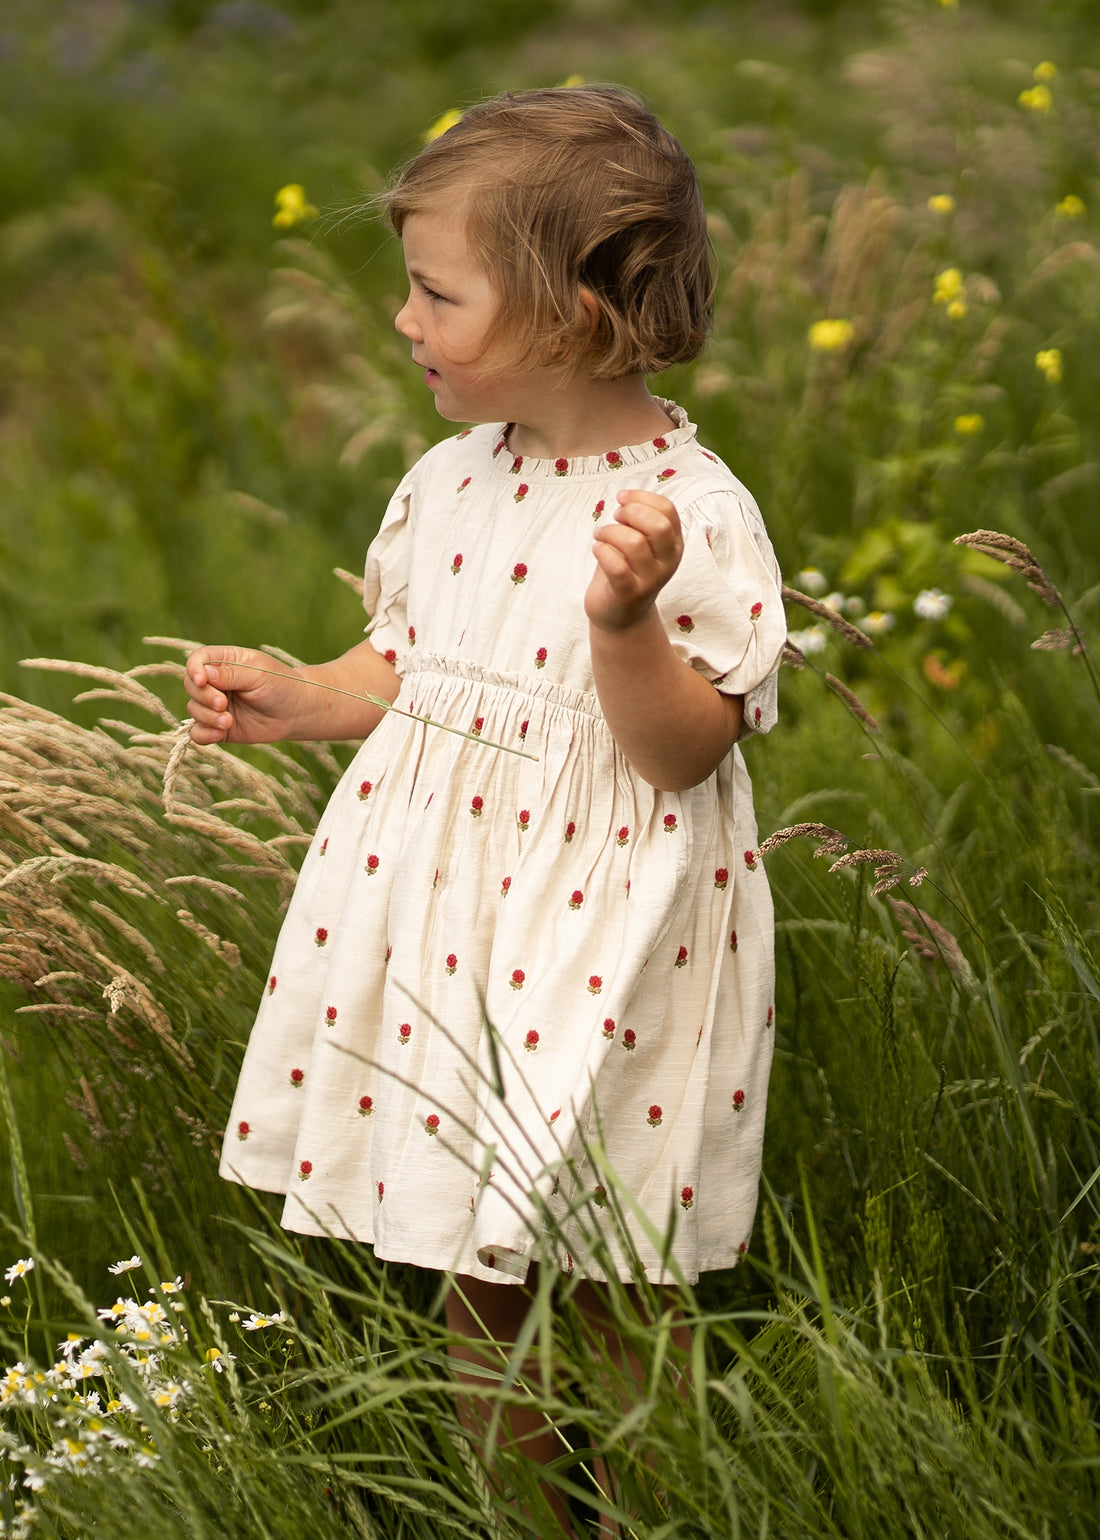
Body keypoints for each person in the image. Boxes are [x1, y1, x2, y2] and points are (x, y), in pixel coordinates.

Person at [185, 84, 785, 1526]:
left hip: (612, 934)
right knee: (474, 1257)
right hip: (451, 925)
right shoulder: (451, 481)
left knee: (612, 1274)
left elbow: (679, 755)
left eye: (436, 293)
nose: (404, 321)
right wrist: (299, 693)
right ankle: (516, 1516)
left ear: (574, 312)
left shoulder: (685, 513)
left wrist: (625, 624)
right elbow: (415, 668)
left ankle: (650, 1507)